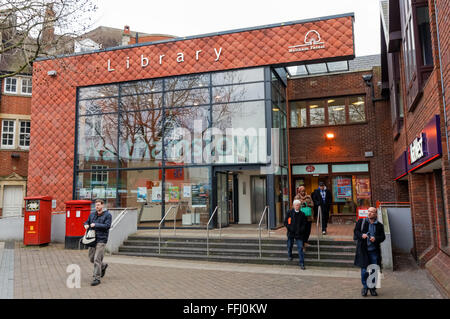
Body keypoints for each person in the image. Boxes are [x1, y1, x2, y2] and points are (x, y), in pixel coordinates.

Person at [353, 207, 386, 297]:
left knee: (374, 270)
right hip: (363, 250)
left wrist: (375, 239)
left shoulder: (379, 225)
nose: (370, 213)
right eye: (369, 211)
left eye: (372, 212)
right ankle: (365, 287)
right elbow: (356, 232)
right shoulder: (361, 222)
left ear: (375, 214)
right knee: (364, 271)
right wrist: (361, 235)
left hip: (374, 251)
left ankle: (372, 288)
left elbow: (383, 237)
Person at [84, 199, 112, 286]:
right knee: (91, 258)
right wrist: (85, 225)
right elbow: (86, 221)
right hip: (92, 239)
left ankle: (97, 278)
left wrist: (96, 225)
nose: (97, 206)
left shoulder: (108, 215)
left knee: (97, 259)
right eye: (96, 205)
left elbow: (107, 226)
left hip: (101, 239)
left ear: (102, 205)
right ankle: (103, 266)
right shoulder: (92, 214)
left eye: (99, 205)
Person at [284, 199, 307, 270]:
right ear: (293, 206)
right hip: (291, 233)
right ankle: (290, 255)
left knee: (300, 248)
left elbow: (304, 224)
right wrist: (289, 228)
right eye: (296, 205)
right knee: (289, 245)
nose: (297, 206)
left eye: (299, 205)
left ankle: (302, 263)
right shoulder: (289, 212)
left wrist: (301, 230)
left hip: (299, 234)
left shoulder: (302, 214)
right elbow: (285, 222)